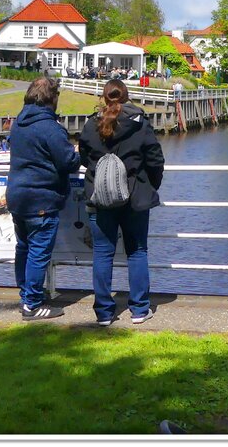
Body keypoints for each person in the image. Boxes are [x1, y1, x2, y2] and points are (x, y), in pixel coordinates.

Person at [78, 79, 165, 326]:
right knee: (137, 251)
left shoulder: (90, 125)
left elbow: (84, 158)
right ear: (126, 97)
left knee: (102, 254)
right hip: (135, 198)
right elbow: (156, 159)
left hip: (100, 199)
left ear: (104, 98)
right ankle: (139, 310)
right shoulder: (140, 125)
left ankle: (104, 314)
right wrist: (150, 186)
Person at [4, 76, 80, 321]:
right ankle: (33, 305)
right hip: (41, 198)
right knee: (38, 252)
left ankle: (26, 296)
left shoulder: (19, 123)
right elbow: (68, 162)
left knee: (23, 248)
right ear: (52, 99)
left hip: (17, 195)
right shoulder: (49, 127)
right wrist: (77, 151)